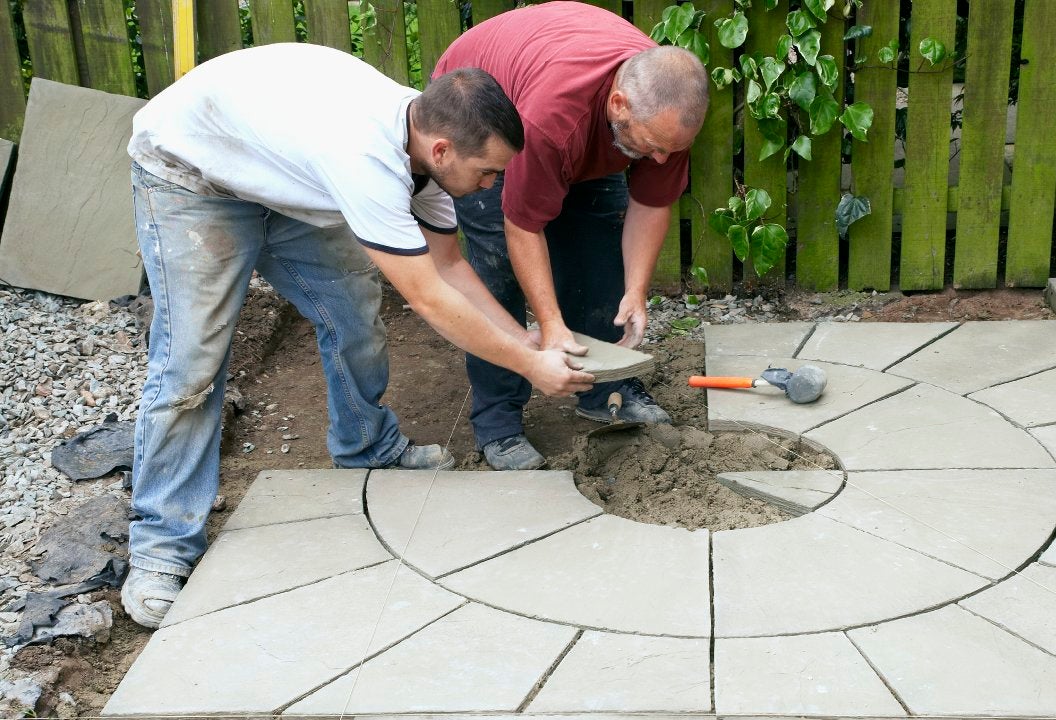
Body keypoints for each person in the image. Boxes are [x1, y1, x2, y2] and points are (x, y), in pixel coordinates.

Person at [121, 42, 595, 629]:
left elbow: (450, 267)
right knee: (191, 361)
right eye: (489, 172)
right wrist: (532, 371)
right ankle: (162, 548)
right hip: (193, 176)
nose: (493, 185)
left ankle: (367, 446)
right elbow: (427, 295)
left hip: (283, 175)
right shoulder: (364, 159)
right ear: (443, 149)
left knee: (352, 314)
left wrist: (529, 345)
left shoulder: (427, 154)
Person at [433, 1, 710, 471]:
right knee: (497, 269)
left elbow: (651, 203)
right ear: (618, 104)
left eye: (671, 150)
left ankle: (604, 391)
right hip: (483, 114)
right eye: (653, 146)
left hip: (578, 118)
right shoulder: (551, 120)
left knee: (597, 246)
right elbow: (523, 226)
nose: (661, 160)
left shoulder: (666, 115)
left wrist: (637, 291)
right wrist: (551, 323)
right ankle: (498, 420)